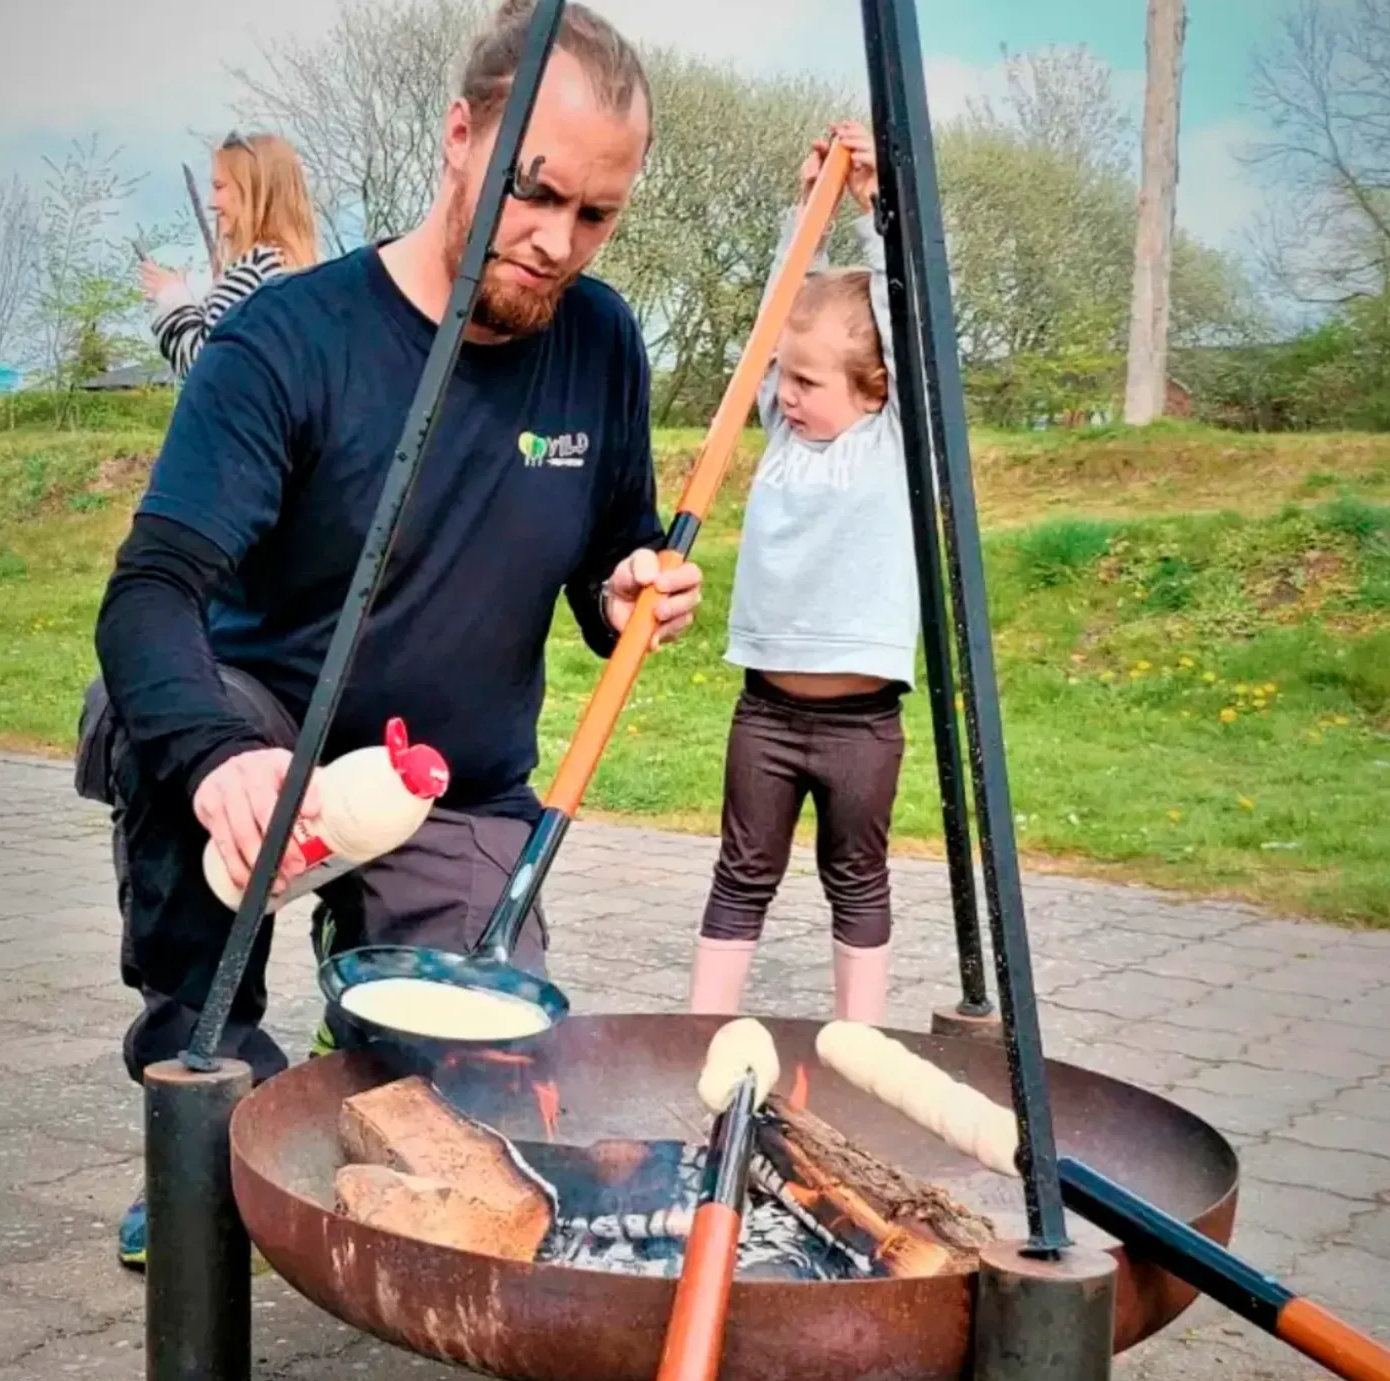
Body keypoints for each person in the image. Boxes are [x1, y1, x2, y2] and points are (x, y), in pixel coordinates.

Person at [77, 0, 702, 1269]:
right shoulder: (284, 341)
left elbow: (608, 550)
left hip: (457, 782)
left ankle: (363, 1022)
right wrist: (215, 760)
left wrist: (625, 591)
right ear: (459, 135)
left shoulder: (600, 342)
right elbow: (149, 592)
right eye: (534, 191)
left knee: (480, 1096)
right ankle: (207, 1107)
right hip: (275, 748)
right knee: (158, 733)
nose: (557, 241)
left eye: (595, 214)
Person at [686, 120, 919, 1026]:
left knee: (855, 875)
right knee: (742, 871)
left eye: (810, 383)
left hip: (863, 725)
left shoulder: (891, 440)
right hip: (767, 712)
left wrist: (873, 211)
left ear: (873, 389)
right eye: (785, 378)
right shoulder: (782, 430)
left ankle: (860, 1039)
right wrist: (807, 209)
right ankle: (701, 1030)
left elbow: (907, 334)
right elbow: (768, 330)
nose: (787, 396)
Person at [139, 131, 319, 379]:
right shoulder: (298, 274)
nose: (211, 203)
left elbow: (204, 366)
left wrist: (171, 299)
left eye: (219, 187)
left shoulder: (255, 270)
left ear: (255, 190)